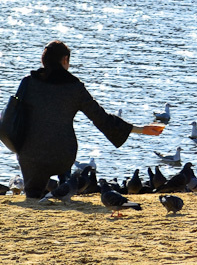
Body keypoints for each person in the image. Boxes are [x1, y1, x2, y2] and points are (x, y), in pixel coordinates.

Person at [14, 41, 163, 199]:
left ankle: (35, 192)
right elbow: (101, 119)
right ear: (65, 59)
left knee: (33, 193)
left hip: (30, 154)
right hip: (61, 154)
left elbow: (14, 114)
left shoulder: (28, 82)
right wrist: (140, 129)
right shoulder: (75, 87)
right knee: (60, 147)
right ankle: (65, 186)